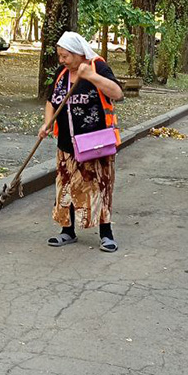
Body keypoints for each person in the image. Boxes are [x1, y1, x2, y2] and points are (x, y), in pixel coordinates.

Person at [38, 31, 124, 252]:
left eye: (65, 56)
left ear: (78, 53)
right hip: (67, 144)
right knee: (66, 187)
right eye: (59, 56)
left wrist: (90, 76)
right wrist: (47, 123)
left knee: (100, 186)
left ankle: (106, 234)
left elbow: (117, 93)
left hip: (95, 143)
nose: (61, 60)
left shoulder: (98, 67)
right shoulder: (62, 73)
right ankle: (67, 231)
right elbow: (51, 101)